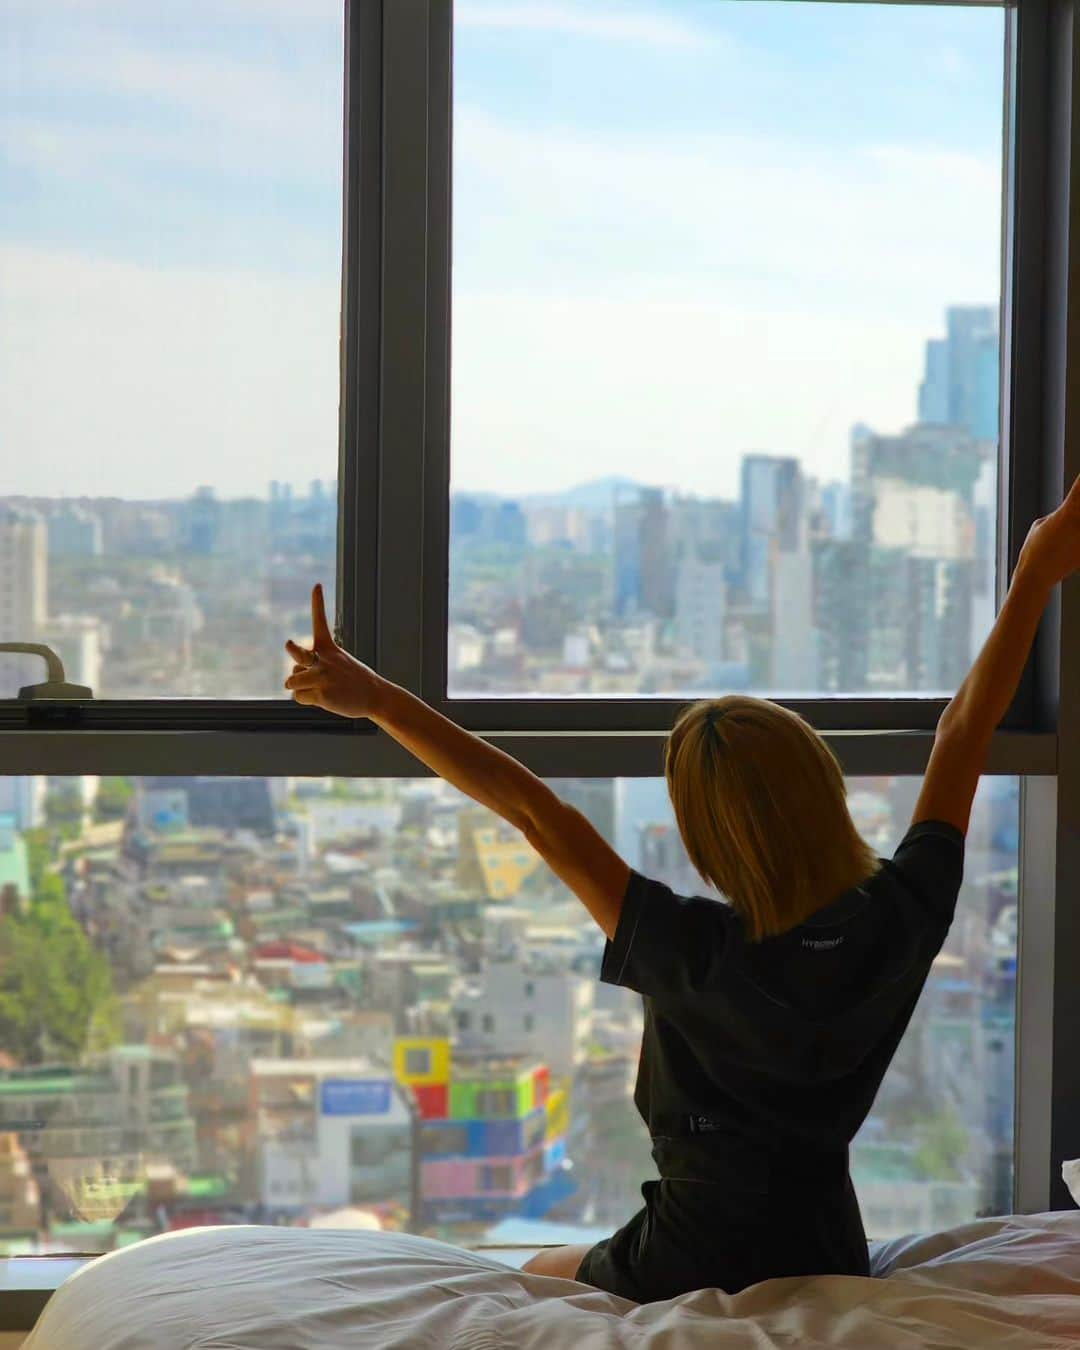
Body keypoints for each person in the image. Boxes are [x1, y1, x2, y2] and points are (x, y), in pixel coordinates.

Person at [283, 476, 1080, 1304]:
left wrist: (375, 699)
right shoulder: (902, 915)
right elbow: (964, 731)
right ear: (823, 790)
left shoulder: (685, 948)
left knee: (522, 1273)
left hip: (683, 1261)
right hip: (829, 1251)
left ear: (707, 839)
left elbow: (530, 806)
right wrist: (1033, 575)